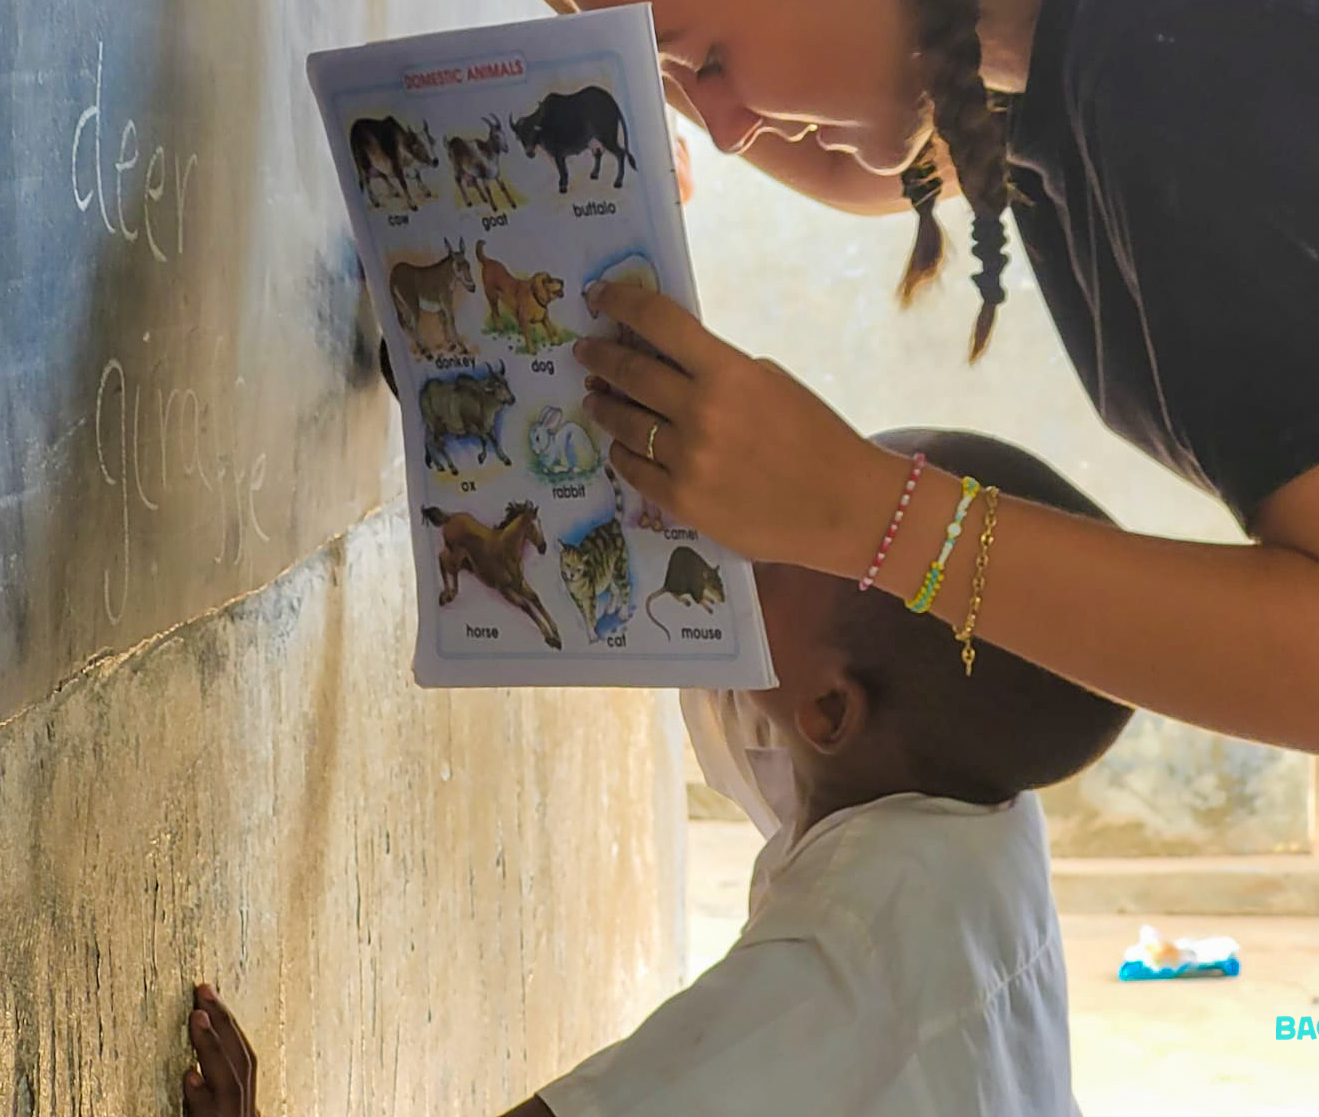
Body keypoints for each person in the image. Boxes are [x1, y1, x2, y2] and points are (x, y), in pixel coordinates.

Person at [368, 0, 1319, 1110]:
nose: (720, 124)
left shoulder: (1184, 31)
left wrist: (866, 515)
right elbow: (872, 160)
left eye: (702, 56)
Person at [181, 430, 1133, 1117]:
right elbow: (743, 678)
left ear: (829, 712)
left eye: (803, 537)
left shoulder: (836, 973)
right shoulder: (971, 801)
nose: (754, 527)